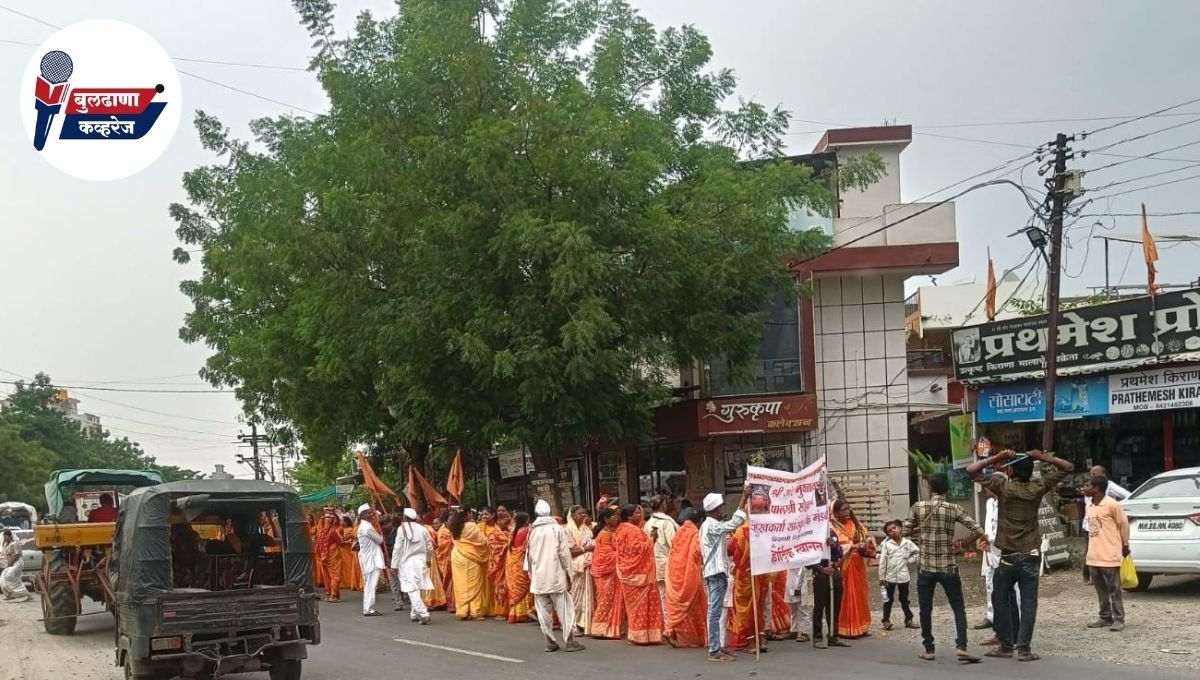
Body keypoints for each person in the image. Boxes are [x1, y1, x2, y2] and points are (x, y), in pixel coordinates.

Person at [968, 448, 1074, 662]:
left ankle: (1006, 646)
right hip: (1030, 554)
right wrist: (1043, 457)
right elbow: (1068, 467)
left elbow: (971, 470)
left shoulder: (1003, 487)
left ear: (1011, 471)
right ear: (1030, 471)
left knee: (1000, 600)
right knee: (1028, 604)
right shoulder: (1037, 488)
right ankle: (1024, 649)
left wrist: (997, 457)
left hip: (1007, 555)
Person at [902, 474, 987, 663]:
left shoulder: (918, 507)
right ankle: (962, 647)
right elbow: (978, 530)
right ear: (946, 490)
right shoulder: (954, 508)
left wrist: (921, 528)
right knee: (958, 607)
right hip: (948, 566)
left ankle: (929, 649)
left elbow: (905, 532)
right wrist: (962, 544)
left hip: (926, 567)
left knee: (925, 609)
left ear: (930, 488)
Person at [525, 499, 585, 652]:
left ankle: (550, 642)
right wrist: (569, 573)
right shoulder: (557, 529)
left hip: (539, 578)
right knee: (565, 609)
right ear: (550, 512)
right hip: (556, 576)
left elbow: (528, 556)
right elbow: (564, 554)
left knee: (543, 611)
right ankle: (570, 641)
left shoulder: (532, 531)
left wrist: (531, 574)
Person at [699, 486, 750, 662]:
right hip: (715, 573)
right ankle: (714, 650)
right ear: (716, 509)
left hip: (716, 572)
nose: (722, 509)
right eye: (720, 507)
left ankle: (717, 646)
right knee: (714, 612)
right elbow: (734, 523)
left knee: (717, 611)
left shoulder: (708, 525)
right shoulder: (711, 525)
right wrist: (743, 498)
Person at [1083, 475, 1130, 632]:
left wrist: (1125, 544)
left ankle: (1119, 618)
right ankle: (1105, 616)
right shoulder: (1090, 505)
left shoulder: (1112, 505)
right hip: (1093, 555)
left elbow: (1123, 524)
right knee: (1100, 589)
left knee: (1114, 589)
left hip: (1109, 554)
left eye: (1088, 485)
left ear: (1096, 488)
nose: (1084, 488)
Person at [614, 504, 663, 645]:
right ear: (629, 516)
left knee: (635, 607)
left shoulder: (620, 529)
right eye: (636, 513)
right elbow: (636, 550)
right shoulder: (632, 530)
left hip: (627, 572)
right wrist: (652, 539)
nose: (640, 515)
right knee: (640, 606)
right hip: (638, 573)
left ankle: (643, 635)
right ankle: (640, 636)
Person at [830, 499, 874, 639]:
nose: (847, 512)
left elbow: (866, 537)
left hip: (857, 563)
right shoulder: (832, 527)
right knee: (846, 595)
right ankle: (845, 628)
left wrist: (866, 543)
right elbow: (834, 547)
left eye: (848, 508)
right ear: (836, 513)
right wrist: (852, 546)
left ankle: (862, 626)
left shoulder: (855, 524)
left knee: (860, 593)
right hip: (843, 564)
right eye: (843, 509)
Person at [663, 508, 707, 648]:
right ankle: (690, 639)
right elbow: (697, 553)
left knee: (675, 605)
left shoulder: (679, 532)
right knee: (694, 605)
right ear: (700, 521)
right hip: (689, 575)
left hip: (674, 574)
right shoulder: (695, 534)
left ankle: (671, 631)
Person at [1081, 465, 1129, 585]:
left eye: (1094, 474)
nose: (1091, 476)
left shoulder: (1110, 489)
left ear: (1103, 475)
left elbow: (1128, 495)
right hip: (1090, 525)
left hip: (1106, 526)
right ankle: (1089, 575)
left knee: (1106, 549)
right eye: (1090, 474)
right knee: (1090, 551)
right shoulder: (1089, 490)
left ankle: (1107, 574)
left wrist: (1116, 507)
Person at [727, 521, 769, 652]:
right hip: (761, 573)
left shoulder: (741, 531)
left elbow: (730, 548)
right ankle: (761, 639)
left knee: (746, 609)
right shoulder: (765, 527)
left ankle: (751, 642)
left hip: (746, 574)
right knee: (759, 606)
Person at [391, 508, 433, 624]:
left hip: (408, 564)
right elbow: (430, 547)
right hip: (421, 562)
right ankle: (414, 614)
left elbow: (397, 548)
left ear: (405, 518)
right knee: (418, 587)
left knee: (412, 589)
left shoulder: (401, 529)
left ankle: (423, 613)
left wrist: (394, 565)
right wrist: (428, 560)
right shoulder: (423, 529)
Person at [877, 519, 919, 632]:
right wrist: (881, 578)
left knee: (904, 600)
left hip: (903, 576)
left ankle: (908, 619)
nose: (893, 531)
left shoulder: (908, 543)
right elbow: (882, 563)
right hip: (889, 577)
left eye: (894, 528)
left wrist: (910, 561)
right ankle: (886, 620)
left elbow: (917, 553)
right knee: (888, 600)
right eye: (889, 531)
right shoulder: (887, 545)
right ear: (888, 534)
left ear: (900, 528)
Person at [589, 507, 624, 639]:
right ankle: (598, 628)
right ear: (606, 519)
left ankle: (609, 627)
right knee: (604, 600)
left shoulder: (612, 531)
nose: (617, 518)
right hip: (604, 572)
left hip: (612, 571)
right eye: (614, 517)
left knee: (610, 600)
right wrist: (623, 552)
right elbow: (605, 555)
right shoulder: (604, 534)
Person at [448, 510, 490, 620]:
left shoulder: (453, 526)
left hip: (457, 555)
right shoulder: (471, 526)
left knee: (460, 584)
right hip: (471, 556)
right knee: (474, 584)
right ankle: (475, 612)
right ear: (467, 515)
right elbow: (481, 541)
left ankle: (462, 611)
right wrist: (489, 540)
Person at [810, 529, 847, 650]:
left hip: (834, 574)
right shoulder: (811, 533)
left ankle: (833, 636)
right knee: (819, 607)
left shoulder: (830, 532)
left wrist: (834, 545)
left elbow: (839, 554)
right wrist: (821, 569)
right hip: (820, 575)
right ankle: (817, 637)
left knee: (835, 607)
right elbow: (807, 560)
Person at [644, 495, 678, 619]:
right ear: (663, 505)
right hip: (667, 564)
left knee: (661, 595)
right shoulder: (667, 523)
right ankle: (669, 623)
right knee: (670, 596)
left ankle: (664, 622)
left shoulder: (648, 523)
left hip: (654, 564)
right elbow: (674, 543)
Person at [565, 505, 595, 636]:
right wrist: (586, 549)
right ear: (572, 515)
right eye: (580, 514)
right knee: (575, 597)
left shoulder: (586, 529)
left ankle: (585, 623)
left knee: (588, 597)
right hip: (575, 566)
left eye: (584, 513)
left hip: (588, 564)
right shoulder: (567, 530)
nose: (583, 516)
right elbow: (571, 551)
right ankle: (573, 624)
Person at [505, 511, 536, 623]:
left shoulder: (513, 531)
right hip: (522, 561)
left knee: (516, 586)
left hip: (512, 562)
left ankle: (516, 613)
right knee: (525, 585)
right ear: (525, 520)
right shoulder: (528, 530)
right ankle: (524, 612)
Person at [356, 504, 386, 617]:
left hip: (368, 558)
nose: (371, 515)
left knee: (370, 584)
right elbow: (380, 540)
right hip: (371, 559)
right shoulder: (367, 527)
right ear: (363, 515)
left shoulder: (366, 525)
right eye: (368, 513)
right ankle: (369, 609)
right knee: (371, 584)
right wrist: (381, 532)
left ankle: (368, 608)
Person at [316, 513, 343, 602]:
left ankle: (328, 594)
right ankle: (333, 595)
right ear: (332, 522)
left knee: (326, 576)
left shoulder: (321, 532)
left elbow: (317, 546)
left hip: (323, 557)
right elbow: (340, 542)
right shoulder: (333, 531)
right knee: (335, 576)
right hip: (333, 556)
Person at [382, 514, 405, 612]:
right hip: (388, 560)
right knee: (393, 582)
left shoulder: (398, 532)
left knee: (401, 580)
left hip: (399, 560)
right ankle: (398, 601)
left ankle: (405, 597)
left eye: (386, 524)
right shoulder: (382, 534)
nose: (385, 526)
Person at [1, 529, 31, 602]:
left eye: (6, 537)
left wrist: (11, 563)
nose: (5, 538)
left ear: (10, 536)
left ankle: (25, 593)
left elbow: (17, 555)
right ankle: (9, 594)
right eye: (4, 537)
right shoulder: (5, 544)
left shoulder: (15, 544)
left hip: (17, 563)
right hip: (10, 563)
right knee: (3, 578)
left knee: (9, 577)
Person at [784, 564, 811, 643]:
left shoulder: (803, 560)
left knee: (804, 610)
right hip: (790, 585)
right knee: (793, 611)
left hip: (802, 586)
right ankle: (794, 631)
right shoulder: (790, 560)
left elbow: (803, 571)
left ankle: (805, 633)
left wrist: (798, 587)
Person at [435, 511, 456, 613]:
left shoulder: (454, 529)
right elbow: (441, 546)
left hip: (456, 557)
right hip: (447, 559)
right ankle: (450, 603)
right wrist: (452, 541)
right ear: (446, 521)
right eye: (451, 519)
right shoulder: (443, 531)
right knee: (449, 580)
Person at [340, 516, 363, 591]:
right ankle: (353, 583)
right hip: (351, 550)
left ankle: (357, 584)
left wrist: (346, 541)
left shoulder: (353, 529)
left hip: (355, 549)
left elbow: (353, 539)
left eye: (342, 521)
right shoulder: (353, 528)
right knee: (352, 566)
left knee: (354, 566)